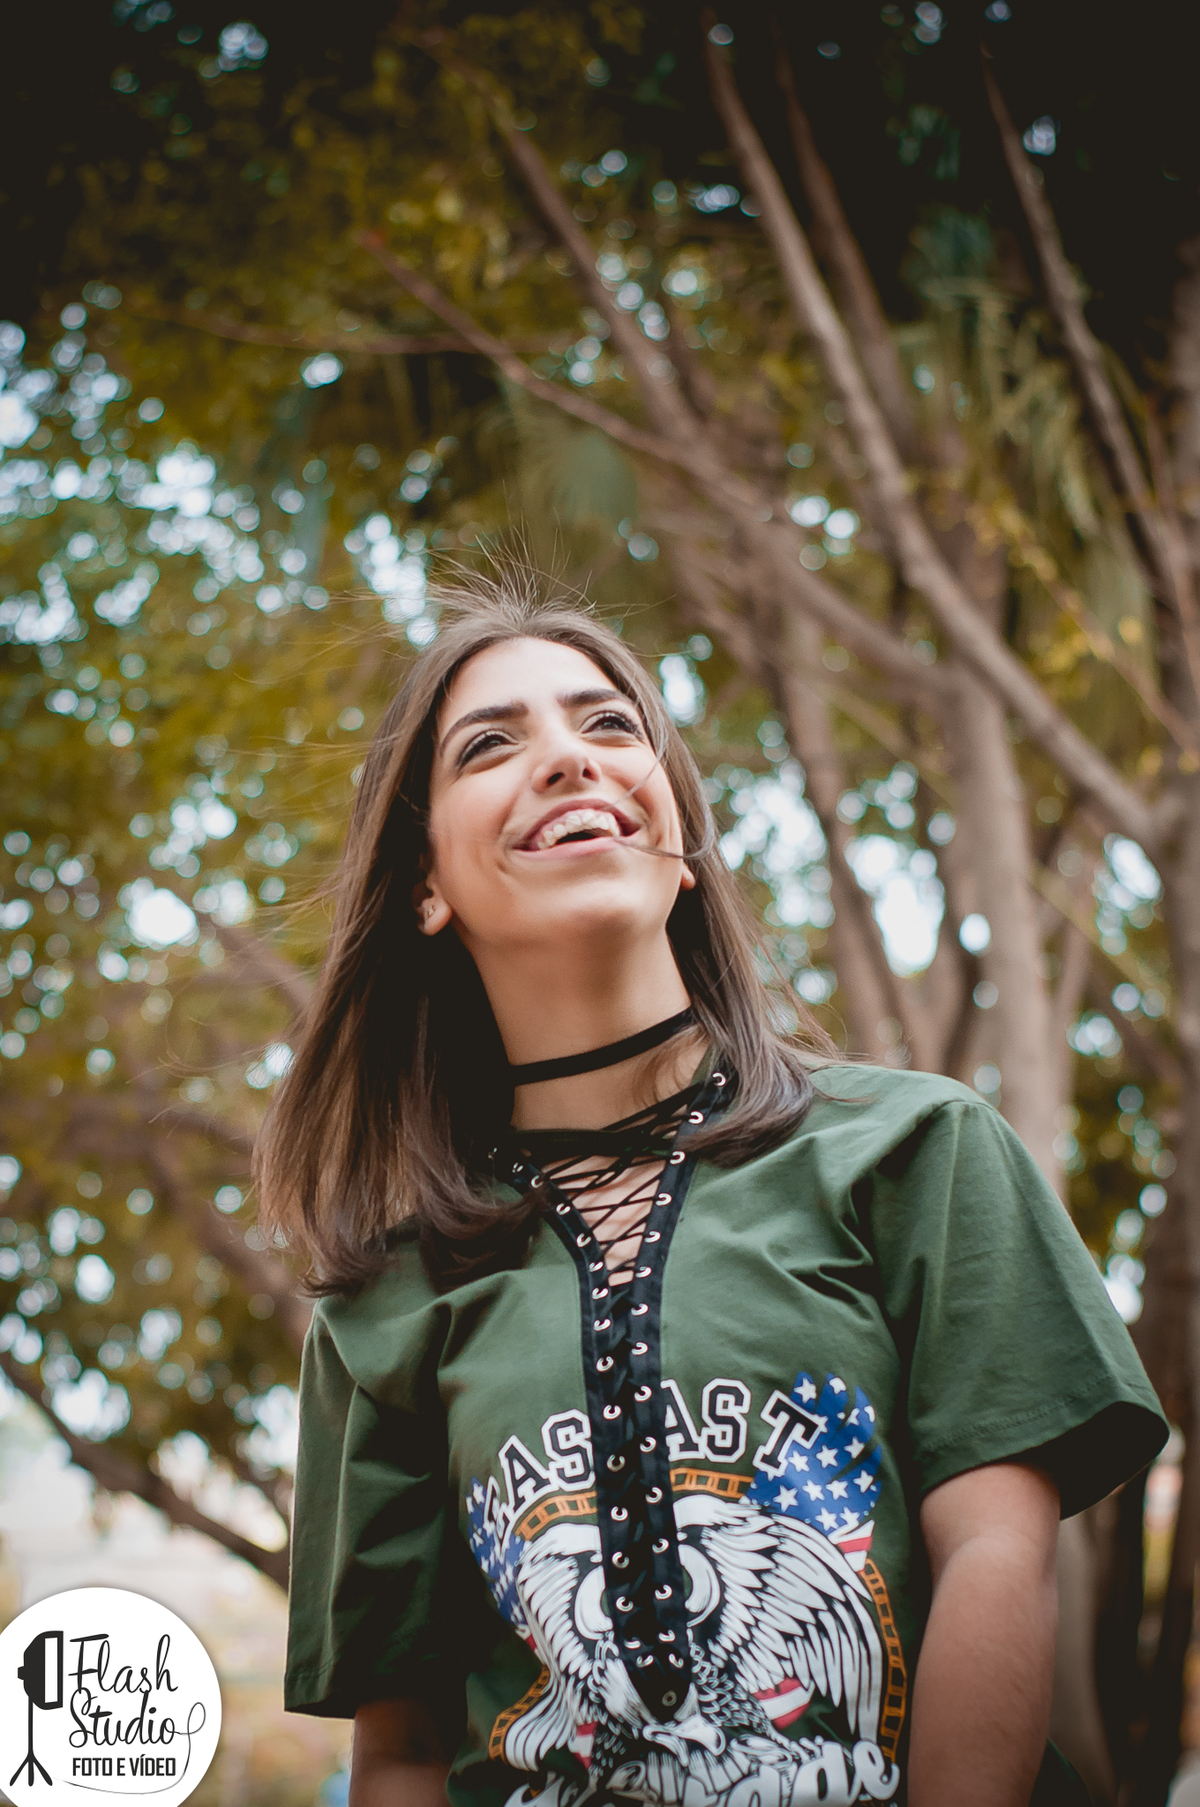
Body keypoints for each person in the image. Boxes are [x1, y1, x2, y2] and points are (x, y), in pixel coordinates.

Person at [259, 576, 1166, 1807]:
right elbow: (405, 1749)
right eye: (492, 743)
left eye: (612, 725)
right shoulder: (386, 1301)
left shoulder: (915, 1150)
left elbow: (997, 1561)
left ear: (678, 839)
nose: (571, 759)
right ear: (426, 882)